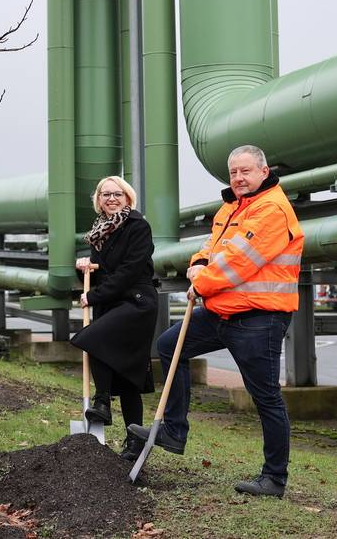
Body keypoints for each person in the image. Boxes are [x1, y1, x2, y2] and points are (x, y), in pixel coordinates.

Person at [128, 145, 304, 498]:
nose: (238, 178)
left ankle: (274, 478)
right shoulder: (232, 207)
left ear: (264, 171)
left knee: (265, 396)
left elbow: (239, 262)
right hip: (222, 310)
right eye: (233, 172)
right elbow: (212, 247)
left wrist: (201, 280)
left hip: (259, 317)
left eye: (246, 171)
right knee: (168, 347)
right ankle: (174, 431)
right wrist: (198, 263)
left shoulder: (271, 210)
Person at [71, 176, 158, 461]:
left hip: (136, 303)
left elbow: (129, 271)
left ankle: (102, 402)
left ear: (128, 198)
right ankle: (135, 444)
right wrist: (84, 268)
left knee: (92, 338)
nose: (111, 198)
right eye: (105, 194)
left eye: (117, 194)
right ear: (98, 200)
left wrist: (94, 297)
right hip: (112, 303)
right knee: (126, 375)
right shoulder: (99, 231)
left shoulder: (138, 226)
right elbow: (102, 272)